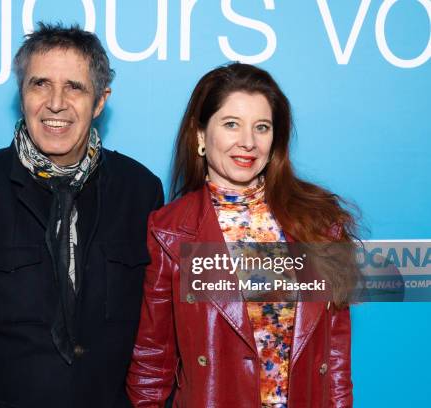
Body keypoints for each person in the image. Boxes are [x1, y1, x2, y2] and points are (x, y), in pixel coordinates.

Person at [0, 23, 163, 408]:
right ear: (22, 93)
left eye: (74, 87)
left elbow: (156, 337)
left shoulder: (141, 191)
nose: (55, 103)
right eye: (40, 84)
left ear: (100, 101)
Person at [126, 63, 357, 407]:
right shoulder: (170, 232)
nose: (248, 142)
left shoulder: (318, 223)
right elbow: (152, 365)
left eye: (261, 127)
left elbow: (335, 358)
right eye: (231, 124)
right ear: (201, 135)